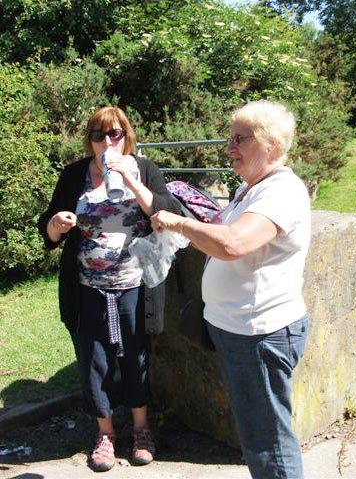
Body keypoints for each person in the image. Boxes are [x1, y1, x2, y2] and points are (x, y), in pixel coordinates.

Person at [151, 100, 311, 479]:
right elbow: (221, 238)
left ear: (270, 143)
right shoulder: (250, 188)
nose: (229, 147)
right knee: (257, 434)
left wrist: (177, 222)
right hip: (239, 329)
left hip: (260, 334)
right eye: (230, 138)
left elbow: (232, 244)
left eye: (240, 139)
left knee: (269, 441)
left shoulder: (281, 192)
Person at [38, 106, 180, 471]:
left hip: (135, 286)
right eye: (99, 135)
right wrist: (56, 223)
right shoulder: (74, 175)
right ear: (90, 139)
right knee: (95, 360)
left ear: (126, 135)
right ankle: (105, 434)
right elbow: (49, 233)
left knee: (136, 356)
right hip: (88, 287)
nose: (107, 141)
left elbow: (165, 213)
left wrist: (130, 180)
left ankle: (141, 429)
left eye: (115, 133)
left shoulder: (145, 169)